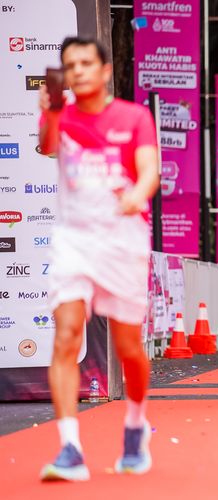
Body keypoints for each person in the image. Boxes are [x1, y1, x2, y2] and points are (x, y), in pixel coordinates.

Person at [38, 37, 159, 481]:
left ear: (105, 70)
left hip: (123, 241)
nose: (79, 71)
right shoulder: (60, 114)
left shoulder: (133, 116)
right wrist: (51, 112)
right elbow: (47, 145)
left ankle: (136, 423)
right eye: (71, 65)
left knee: (128, 348)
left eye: (87, 63)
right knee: (66, 334)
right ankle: (69, 448)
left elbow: (149, 170)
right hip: (74, 241)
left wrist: (136, 194)